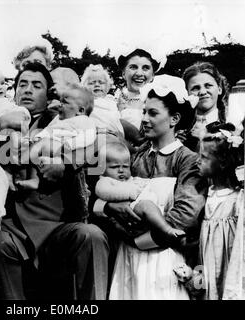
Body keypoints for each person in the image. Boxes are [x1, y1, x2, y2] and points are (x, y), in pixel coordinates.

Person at [0, 62, 109, 300]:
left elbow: (96, 151)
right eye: (23, 84)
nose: (28, 90)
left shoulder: (65, 121)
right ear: (14, 91)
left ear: (49, 93)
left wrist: (66, 164)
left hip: (57, 225)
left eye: (37, 85)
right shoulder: (1, 123)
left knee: (91, 235)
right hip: (14, 226)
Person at [93, 75, 206, 299]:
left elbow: (184, 217)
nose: (144, 119)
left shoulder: (187, 160)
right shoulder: (134, 158)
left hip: (164, 259)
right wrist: (107, 207)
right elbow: (105, 191)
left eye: (152, 113)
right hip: (127, 259)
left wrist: (135, 239)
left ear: (174, 119)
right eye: (144, 111)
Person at [95, 141, 185, 241]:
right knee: (146, 206)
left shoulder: (128, 179)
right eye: (114, 167)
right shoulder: (104, 181)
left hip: (134, 213)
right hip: (126, 213)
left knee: (149, 207)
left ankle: (163, 229)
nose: (121, 170)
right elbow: (104, 192)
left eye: (125, 166)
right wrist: (132, 192)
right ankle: (167, 229)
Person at [16, 83, 97, 190]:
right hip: (51, 147)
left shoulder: (84, 120)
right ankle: (34, 179)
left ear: (80, 110)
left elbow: (88, 136)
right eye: (60, 101)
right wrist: (39, 137)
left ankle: (20, 161)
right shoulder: (58, 119)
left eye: (65, 102)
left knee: (39, 145)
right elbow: (49, 130)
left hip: (65, 148)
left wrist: (69, 145)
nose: (60, 104)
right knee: (36, 150)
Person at [197, 123, 244, 300]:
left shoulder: (236, 202)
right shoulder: (203, 197)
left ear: (222, 162)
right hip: (206, 289)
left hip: (228, 286)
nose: (197, 161)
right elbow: (200, 256)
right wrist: (196, 284)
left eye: (204, 157)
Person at [181, 61, 230, 152]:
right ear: (186, 93)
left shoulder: (233, 124)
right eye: (195, 88)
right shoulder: (180, 130)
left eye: (208, 86)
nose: (203, 92)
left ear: (219, 89)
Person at [115, 48, 163, 130]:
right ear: (123, 73)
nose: (139, 73)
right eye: (133, 67)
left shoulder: (160, 102)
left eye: (145, 68)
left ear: (152, 76)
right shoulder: (112, 101)